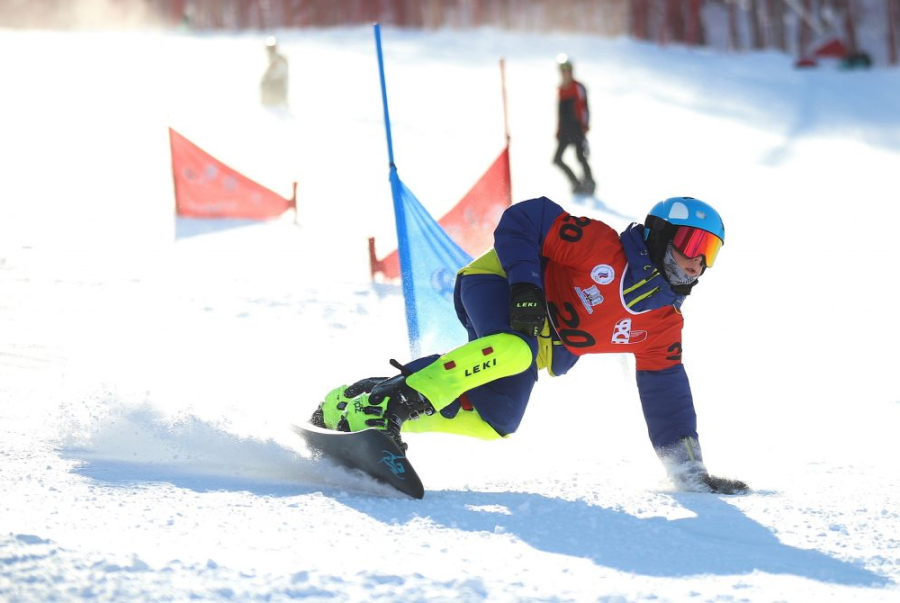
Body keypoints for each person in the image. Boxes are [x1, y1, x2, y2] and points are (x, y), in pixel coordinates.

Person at [310, 196, 748, 494]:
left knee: (496, 420)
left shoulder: (662, 324)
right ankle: (389, 404)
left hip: (537, 339)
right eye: (691, 243)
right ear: (659, 234)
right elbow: (527, 218)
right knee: (516, 350)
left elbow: (666, 392)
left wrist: (689, 471)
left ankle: (357, 406)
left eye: (709, 252)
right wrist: (525, 285)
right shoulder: (601, 247)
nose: (697, 262)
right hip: (497, 282)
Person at [553, 54, 595, 196]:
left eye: (567, 70)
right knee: (557, 159)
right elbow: (560, 113)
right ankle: (576, 183)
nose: (564, 73)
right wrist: (558, 129)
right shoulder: (560, 89)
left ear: (571, 71)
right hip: (565, 130)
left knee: (580, 157)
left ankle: (590, 184)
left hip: (577, 128)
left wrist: (585, 126)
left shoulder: (578, 87)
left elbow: (585, 107)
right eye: (562, 70)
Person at [260, 36, 289, 107]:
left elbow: (283, 76)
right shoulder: (268, 60)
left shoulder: (280, 60)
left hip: (277, 89)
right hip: (271, 92)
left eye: (271, 48)